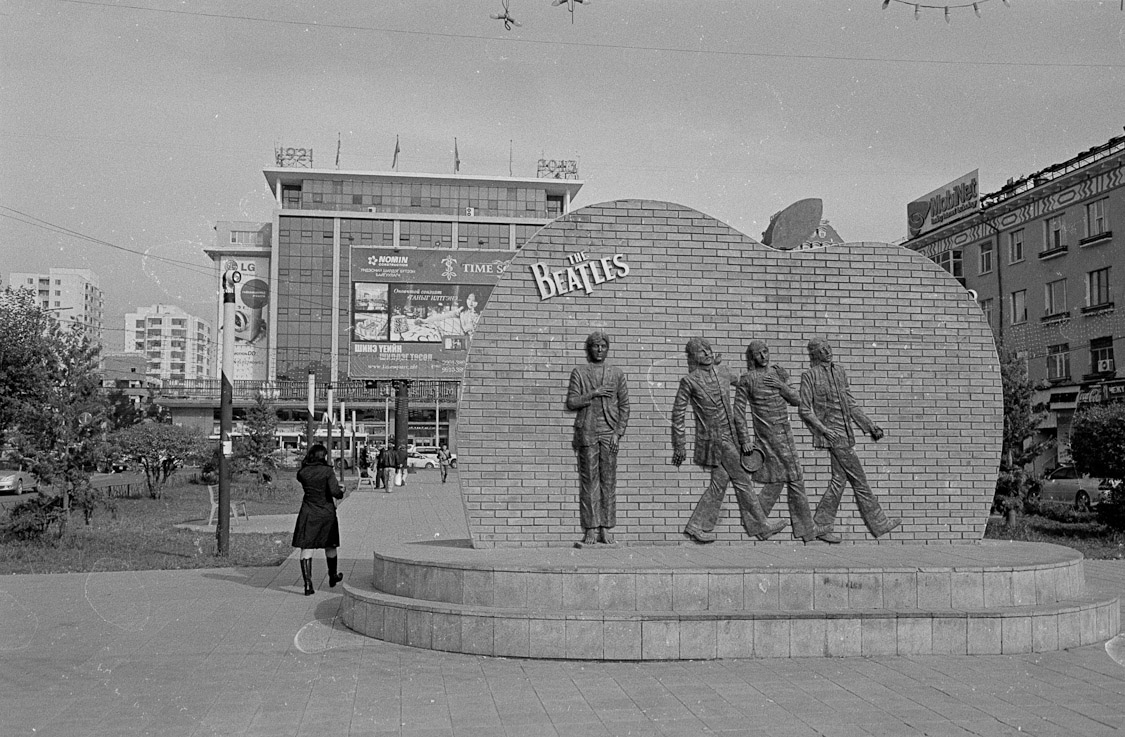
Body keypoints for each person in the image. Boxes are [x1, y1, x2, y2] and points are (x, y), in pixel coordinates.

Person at [672, 337, 787, 543]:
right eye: (701, 352)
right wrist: (680, 444)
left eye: (708, 350)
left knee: (719, 483)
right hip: (714, 440)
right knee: (743, 480)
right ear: (693, 357)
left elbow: (745, 380)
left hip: (731, 435)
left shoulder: (722, 371)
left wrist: (780, 380)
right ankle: (762, 526)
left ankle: (696, 526)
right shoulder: (689, 381)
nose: (707, 354)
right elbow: (678, 414)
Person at [798, 337, 900, 542]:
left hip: (846, 433)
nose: (827, 351)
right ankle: (879, 523)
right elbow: (804, 409)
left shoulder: (840, 372)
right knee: (859, 479)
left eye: (828, 347)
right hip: (833, 435)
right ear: (815, 354)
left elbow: (851, 404)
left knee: (839, 479)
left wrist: (870, 425)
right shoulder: (809, 376)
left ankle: (820, 525)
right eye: (821, 349)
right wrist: (823, 430)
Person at [735, 341, 815, 542]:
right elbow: (738, 413)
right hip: (768, 438)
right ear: (752, 358)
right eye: (758, 354)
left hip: (785, 434)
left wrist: (783, 384)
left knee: (779, 479)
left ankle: (755, 521)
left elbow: (797, 400)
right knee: (794, 477)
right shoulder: (748, 379)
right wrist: (745, 439)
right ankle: (807, 530)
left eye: (765, 352)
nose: (763, 356)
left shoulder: (779, 373)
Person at [566, 331, 630, 547]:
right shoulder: (580, 373)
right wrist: (594, 393)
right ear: (589, 349)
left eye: (603, 346)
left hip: (609, 433)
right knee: (590, 481)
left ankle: (606, 528)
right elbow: (572, 402)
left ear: (607, 348)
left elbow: (625, 406)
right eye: (595, 346)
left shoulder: (616, 373)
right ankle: (591, 528)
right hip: (587, 432)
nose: (600, 349)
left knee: (608, 481)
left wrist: (617, 433)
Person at [292, 444, 347, 596]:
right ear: (322, 456)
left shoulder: (303, 472)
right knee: (330, 545)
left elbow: (305, 478)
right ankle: (333, 575)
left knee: (306, 547)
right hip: (326, 512)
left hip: (308, 511)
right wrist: (342, 491)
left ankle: (308, 584)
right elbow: (335, 492)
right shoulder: (327, 471)